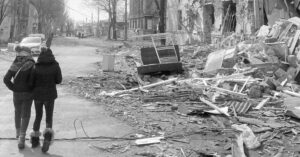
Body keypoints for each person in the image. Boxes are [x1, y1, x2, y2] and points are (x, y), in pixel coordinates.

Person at [30, 47, 62, 153]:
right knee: (49, 117)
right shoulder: (55, 65)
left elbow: (31, 82)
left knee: (38, 116)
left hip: (38, 96)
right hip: (50, 95)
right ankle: (47, 139)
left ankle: (35, 140)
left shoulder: (36, 66)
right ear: (51, 54)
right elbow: (59, 80)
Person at [3, 46, 35, 149]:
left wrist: (14, 88)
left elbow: (6, 79)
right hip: (28, 94)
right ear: (28, 53)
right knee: (25, 114)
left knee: (17, 112)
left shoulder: (15, 63)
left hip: (17, 94)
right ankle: (22, 137)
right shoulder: (32, 64)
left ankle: (17, 133)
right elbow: (35, 80)